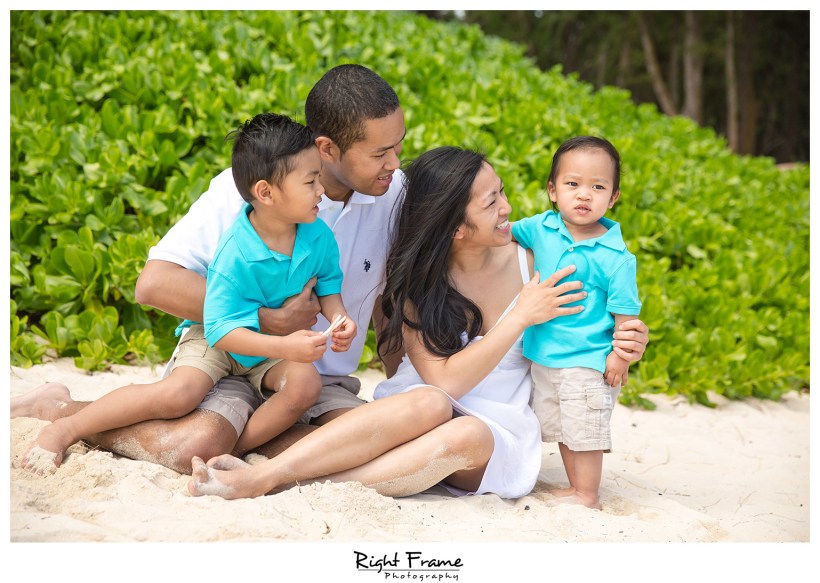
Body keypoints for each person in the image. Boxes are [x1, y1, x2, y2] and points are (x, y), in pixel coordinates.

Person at [186, 146, 647, 500]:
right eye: (491, 202)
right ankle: (273, 477)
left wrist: (629, 337)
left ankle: (280, 480)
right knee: (429, 402)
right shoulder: (419, 282)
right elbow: (445, 383)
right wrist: (520, 316)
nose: (507, 207)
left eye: (501, 191)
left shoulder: (537, 260)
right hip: (416, 409)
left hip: (492, 432)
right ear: (455, 229)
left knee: (466, 430)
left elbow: (601, 318)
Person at [11, 64, 407, 474]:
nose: (394, 163)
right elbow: (154, 285)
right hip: (232, 359)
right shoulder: (248, 199)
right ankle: (61, 411)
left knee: (378, 441)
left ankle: (236, 449)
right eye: (380, 153)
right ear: (326, 149)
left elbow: (394, 299)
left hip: (313, 380)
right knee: (195, 442)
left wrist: (395, 376)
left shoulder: (392, 195)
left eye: (399, 146)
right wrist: (266, 321)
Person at [511, 135, 641, 509]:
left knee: (584, 429)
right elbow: (501, 234)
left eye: (597, 187)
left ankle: (587, 493)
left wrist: (620, 356)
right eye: (573, 184)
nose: (584, 195)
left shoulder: (616, 256)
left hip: (587, 360)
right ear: (553, 190)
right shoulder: (541, 228)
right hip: (544, 356)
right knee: (563, 427)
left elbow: (626, 316)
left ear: (613, 197)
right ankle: (575, 486)